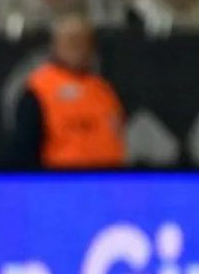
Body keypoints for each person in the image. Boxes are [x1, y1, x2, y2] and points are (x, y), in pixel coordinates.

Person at [10, 14, 127, 169]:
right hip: (61, 184)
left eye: (82, 41)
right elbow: (24, 150)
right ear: (55, 45)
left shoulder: (103, 90)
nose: (77, 47)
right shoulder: (39, 88)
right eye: (71, 40)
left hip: (106, 183)